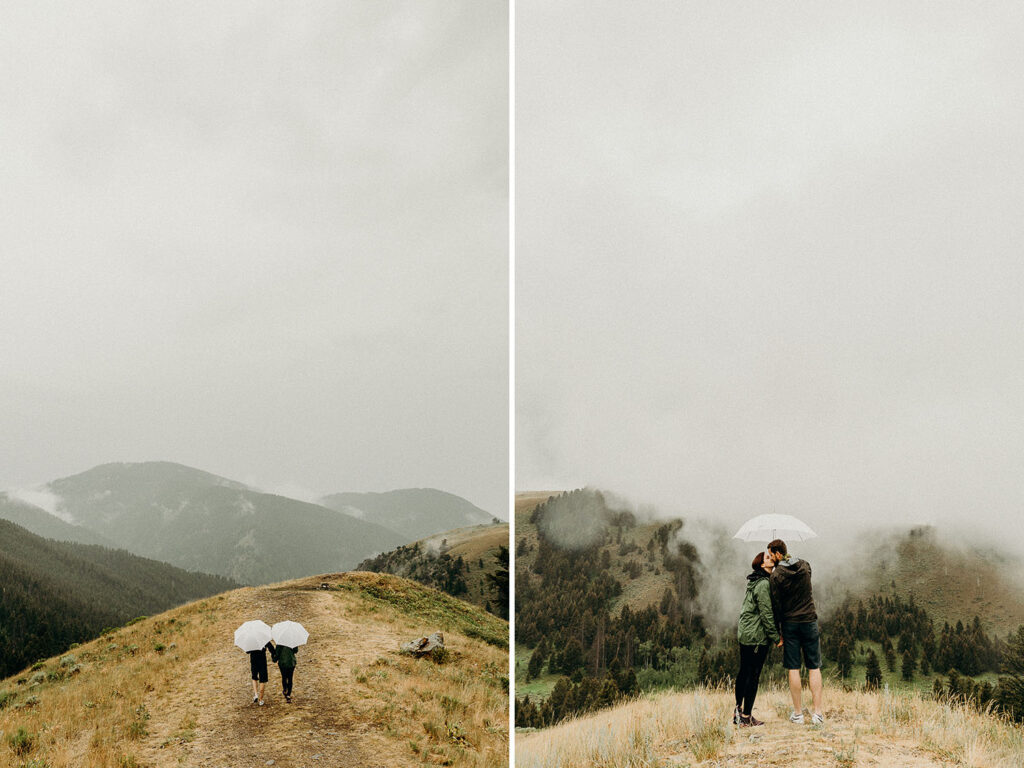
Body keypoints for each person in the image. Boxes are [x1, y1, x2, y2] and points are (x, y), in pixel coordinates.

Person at [767, 538, 824, 725]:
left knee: (794, 668)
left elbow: (776, 606)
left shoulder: (776, 576)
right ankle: (817, 714)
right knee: (814, 666)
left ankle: (798, 714)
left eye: (770, 553)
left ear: (777, 553)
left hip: (790, 623)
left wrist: (777, 632)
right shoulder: (805, 566)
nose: (770, 557)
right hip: (809, 620)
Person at [733, 551, 782, 726]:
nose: (771, 559)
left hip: (746, 633)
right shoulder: (762, 584)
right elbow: (766, 613)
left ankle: (738, 712)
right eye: (768, 558)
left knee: (744, 671)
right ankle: (745, 716)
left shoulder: (755, 581)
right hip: (756, 636)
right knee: (753, 675)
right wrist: (776, 637)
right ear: (762, 565)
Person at [248, 641, 271, 706]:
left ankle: (256, 694)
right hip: (262, 661)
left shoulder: (251, 640)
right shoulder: (264, 639)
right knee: (262, 680)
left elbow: (247, 651)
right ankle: (261, 699)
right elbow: (271, 648)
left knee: (254, 677)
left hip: (253, 661)